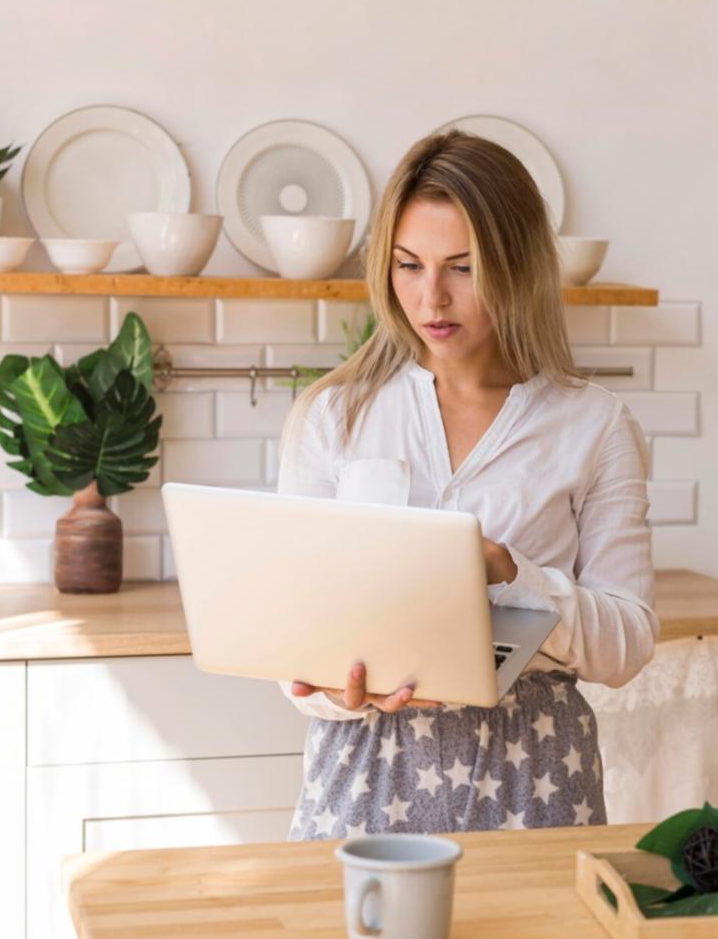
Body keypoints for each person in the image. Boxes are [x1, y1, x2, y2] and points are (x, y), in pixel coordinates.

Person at [277, 130, 657, 839]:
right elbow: (295, 651)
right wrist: (335, 691)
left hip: (537, 773)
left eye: (463, 267)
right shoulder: (332, 417)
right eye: (409, 265)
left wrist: (514, 575)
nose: (432, 298)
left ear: (517, 267)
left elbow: (628, 644)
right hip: (367, 773)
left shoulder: (594, 424)